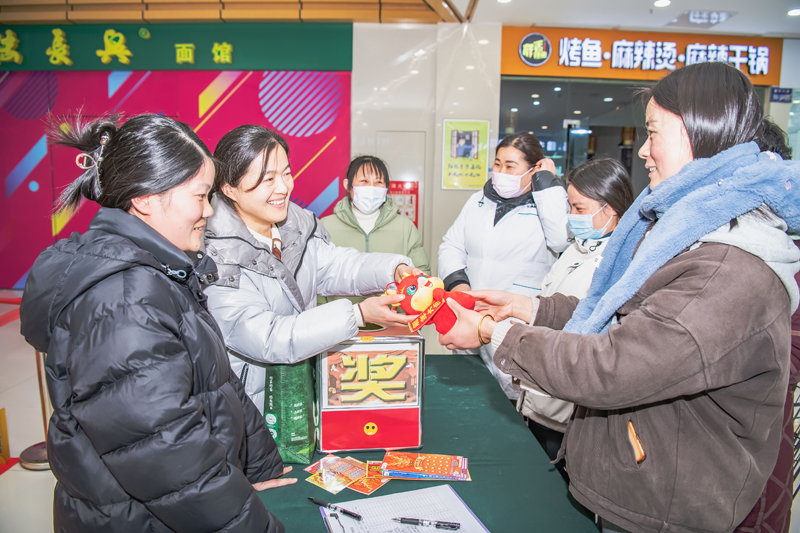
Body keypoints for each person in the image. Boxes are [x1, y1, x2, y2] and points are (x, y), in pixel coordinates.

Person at [438, 62, 800, 533]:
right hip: (640, 482)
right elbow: (620, 313)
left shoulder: (724, 268)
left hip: (665, 506)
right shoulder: (690, 234)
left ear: (701, 132)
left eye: (653, 132)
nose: (643, 151)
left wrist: (493, 332)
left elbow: (613, 365)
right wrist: (529, 308)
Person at [19, 114, 293, 533]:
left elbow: (218, 384)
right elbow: (167, 452)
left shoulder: (161, 270)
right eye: (200, 196)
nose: (208, 211)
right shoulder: (123, 298)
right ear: (146, 199)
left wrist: (260, 468)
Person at [204, 125, 420, 410]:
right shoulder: (215, 257)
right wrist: (357, 315)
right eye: (268, 179)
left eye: (286, 173)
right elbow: (271, 337)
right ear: (229, 188)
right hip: (251, 406)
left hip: (300, 393)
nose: (283, 188)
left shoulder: (295, 229)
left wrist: (394, 269)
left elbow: (340, 266)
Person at [518, 158, 633, 473]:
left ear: (611, 208)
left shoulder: (621, 264)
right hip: (541, 400)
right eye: (569, 206)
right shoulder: (576, 247)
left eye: (579, 208)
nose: (571, 216)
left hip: (570, 412)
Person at [438, 132, 569, 399]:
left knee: (515, 398)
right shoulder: (478, 201)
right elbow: (451, 245)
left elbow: (560, 240)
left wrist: (548, 184)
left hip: (515, 321)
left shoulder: (548, 206)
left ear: (534, 169)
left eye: (510, 166)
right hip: (470, 314)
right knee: (469, 396)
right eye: (497, 164)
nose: (500, 172)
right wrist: (459, 286)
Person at [319, 155, 430, 308]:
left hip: (394, 318)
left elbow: (421, 274)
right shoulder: (325, 226)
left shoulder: (405, 227)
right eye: (364, 181)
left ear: (386, 187)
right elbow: (315, 279)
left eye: (378, 182)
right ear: (348, 185)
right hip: (340, 319)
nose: (371, 188)